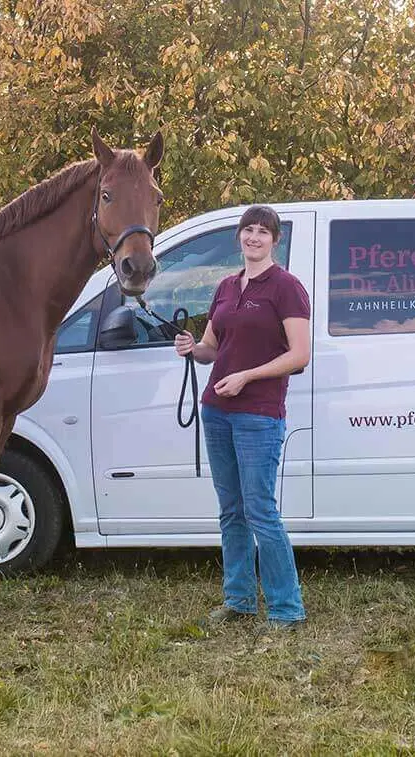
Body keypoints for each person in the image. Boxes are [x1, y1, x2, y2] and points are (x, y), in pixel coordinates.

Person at [174, 204, 311, 630]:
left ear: (275, 240)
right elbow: (214, 348)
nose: (254, 237)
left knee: (260, 511)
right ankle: (239, 601)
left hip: (259, 414)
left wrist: (248, 376)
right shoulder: (227, 287)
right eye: (247, 230)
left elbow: (300, 356)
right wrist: (192, 348)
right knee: (231, 511)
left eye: (262, 231)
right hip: (217, 411)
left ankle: (287, 609)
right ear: (239, 237)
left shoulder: (286, 287)